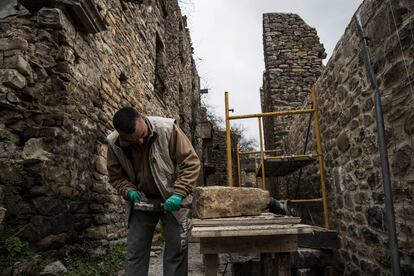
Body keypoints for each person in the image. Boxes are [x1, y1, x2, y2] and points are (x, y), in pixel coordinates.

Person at [106, 107, 200, 276]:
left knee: (176, 252)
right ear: (121, 135)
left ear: (142, 117)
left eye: (142, 136)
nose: (140, 142)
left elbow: (191, 163)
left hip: (173, 199)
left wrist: (179, 193)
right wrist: (129, 191)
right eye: (133, 141)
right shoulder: (114, 143)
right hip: (142, 202)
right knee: (135, 253)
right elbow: (116, 177)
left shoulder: (167, 129)